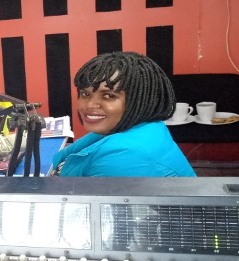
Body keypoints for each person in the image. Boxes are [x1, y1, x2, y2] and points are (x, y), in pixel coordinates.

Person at [51, 51, 196, 177]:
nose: (89, 105)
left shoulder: (125, 155)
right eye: (85, 94)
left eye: (109, 96)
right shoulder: (128, 127)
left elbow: (88, 207)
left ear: (138, 100)